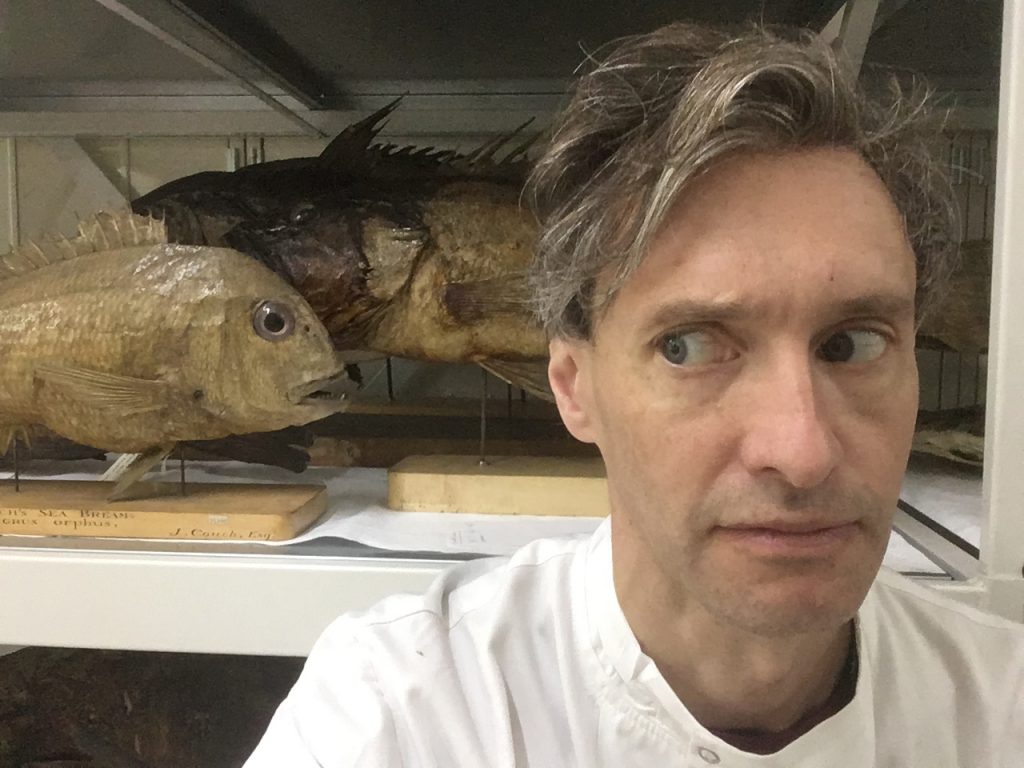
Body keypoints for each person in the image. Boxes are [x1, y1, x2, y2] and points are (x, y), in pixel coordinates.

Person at [245, 22, 1024, 767]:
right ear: (572, 386)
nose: (802, 451)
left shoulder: (1001, 709)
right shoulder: (404, 716)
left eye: (851, 344)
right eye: (687, 347)